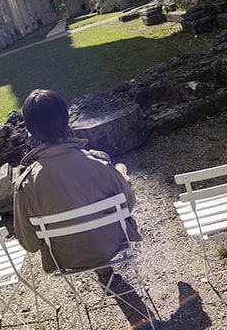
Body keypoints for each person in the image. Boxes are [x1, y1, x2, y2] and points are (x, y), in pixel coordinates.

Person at [14, 88, 140, 274]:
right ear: (66, 120)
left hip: (65, 256)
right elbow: (129, 204)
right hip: (111, 242)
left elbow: (30, 244)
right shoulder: (99, 163)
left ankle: (100, 267)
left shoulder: (25, 185)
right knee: (120, 171)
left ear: (31, 131)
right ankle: (102, 263)